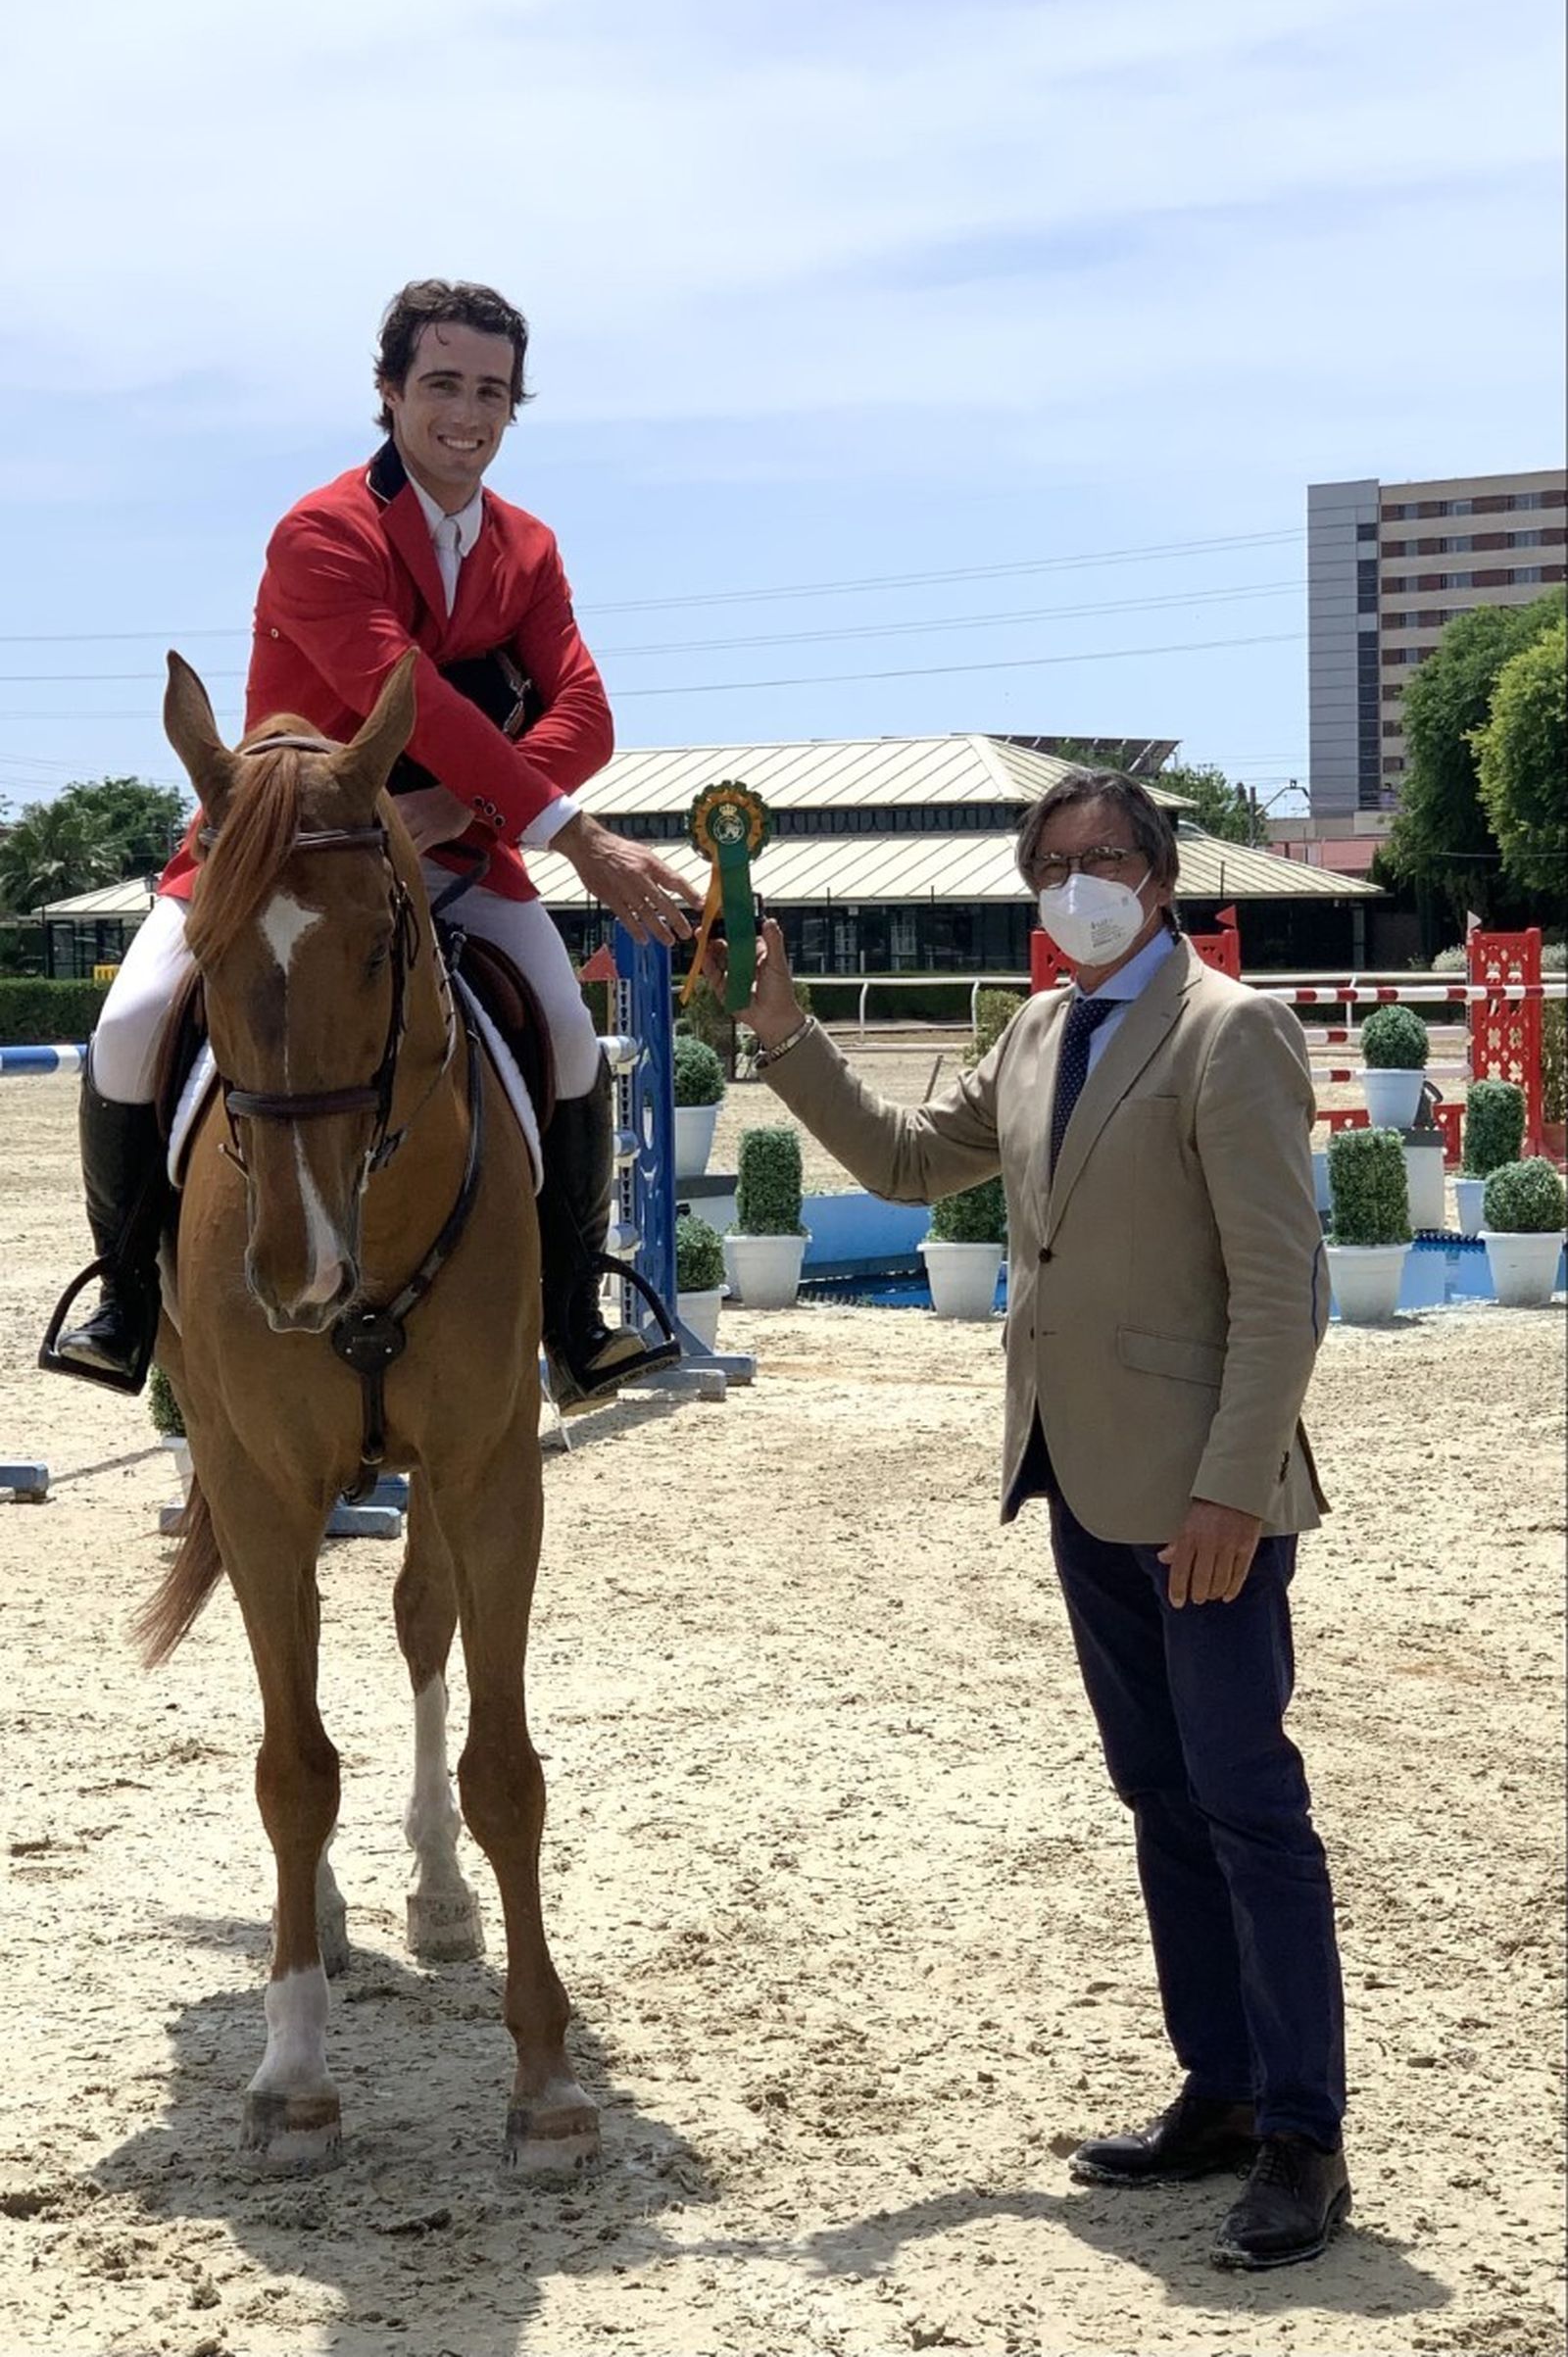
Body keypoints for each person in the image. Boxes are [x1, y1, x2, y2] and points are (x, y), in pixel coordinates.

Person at [716, 769, 1350, 2273]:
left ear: (1162, 872)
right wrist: (781, 1028)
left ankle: (1305, 2133)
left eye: (1109, 855)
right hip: (1077, 1473)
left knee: (1248, 1803)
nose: (1082, 879)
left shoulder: (1230, 1030)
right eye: (1056, 861)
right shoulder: (1038, 1027)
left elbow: (1283, 1291)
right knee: (1159, 1795)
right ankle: (1222, 2080)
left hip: (1206, 1497)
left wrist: (1229, 1488)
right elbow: (905, 1162)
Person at [45, 278, 694, 1410]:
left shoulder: (527, 547)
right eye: (442, 383)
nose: (468, 413)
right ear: (389, 392)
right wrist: (569, 830)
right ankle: (126, 1305)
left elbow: (585, 714)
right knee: (130, 1025)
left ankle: (578, 1313)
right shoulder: (320, 532)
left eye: (492, 391)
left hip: (456, 854)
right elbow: (408, 699)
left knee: (574, 1045)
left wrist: (463, 814)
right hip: (283, 853)